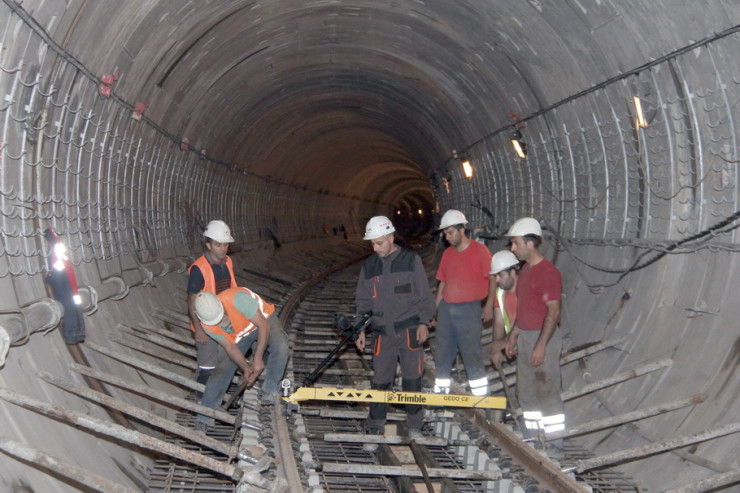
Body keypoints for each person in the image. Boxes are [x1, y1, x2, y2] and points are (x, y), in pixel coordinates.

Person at [355, 216, 436, 442]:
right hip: (382, 334)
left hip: (408, 330)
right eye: (372, 243)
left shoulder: (410, 260)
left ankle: (415, 426)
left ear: (391, 237)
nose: (376, 247)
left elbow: (424, 295)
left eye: (379, 242)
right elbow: (363, 302)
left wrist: (423, 322)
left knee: (412, 379)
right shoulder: (369, 266)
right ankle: (375, 426)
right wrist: (359, 329)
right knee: (380, 381)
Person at [504, 217, 565, 446]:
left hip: (544, 337)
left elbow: (553, 312)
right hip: (527, 336)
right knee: (526, 393)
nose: (513, 249)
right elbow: (524, 308)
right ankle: (533, 440)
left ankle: (554, 446)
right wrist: (514, 335)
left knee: (547, 394)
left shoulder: (548, 273)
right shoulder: (525, 271)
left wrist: (541, 345)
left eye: (516, 243)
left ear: (530, 244)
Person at [192, 287, 289, 431]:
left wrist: (258, 358)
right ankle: (205, 416)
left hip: (264, 320)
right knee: (222, 367)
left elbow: (263, 325)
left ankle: (270, 389)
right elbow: (230, 348)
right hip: (239, 334)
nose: (220, 323)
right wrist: (246, 369)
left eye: (222, 317)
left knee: (281, 347)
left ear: (221, 305)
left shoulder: (238, 299)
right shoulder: (206, 323)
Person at [433, 210, 496, 397]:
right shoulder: (447, 254)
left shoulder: (480, 251)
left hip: (469, 309)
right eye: (445, 233)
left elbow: (492, 278)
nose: (447, 237)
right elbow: (442, 282)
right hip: (447, 309)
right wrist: (435, 310)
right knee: (443, 353)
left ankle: (479, 397)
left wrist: (489, 305)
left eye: (450, 232)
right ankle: (440, 394)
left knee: (472, 353)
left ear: (462, 230)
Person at [187, 220, 237, 396]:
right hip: (206, 324)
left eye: (225, 245)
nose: (223, 249)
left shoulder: (227, 262)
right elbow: (191, 300)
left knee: (227, 360)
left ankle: (220, 396)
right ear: (208, 245)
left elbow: (231, 289)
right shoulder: (199, 269)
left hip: (224, 319)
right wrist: (198, 329)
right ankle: (203, 402)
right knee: (207, 365)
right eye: (218, 244)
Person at [489, 250, 521, 369]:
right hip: (513, 345)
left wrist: (504, 342)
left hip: (530, 344)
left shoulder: (525, 290)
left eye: (500, 275)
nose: (496, 280)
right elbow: (498, 322)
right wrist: (497, 348)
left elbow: (527, 321)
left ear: (512, 273)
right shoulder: (500, 293)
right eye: (495, 275)